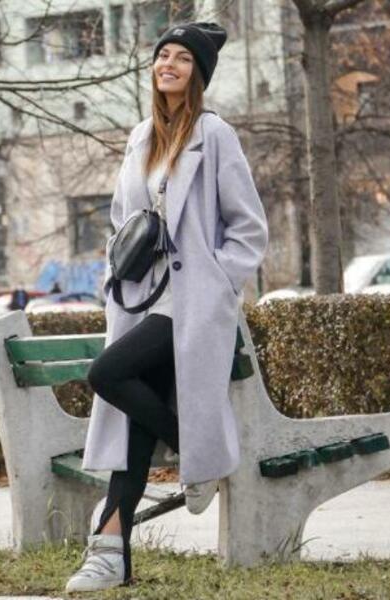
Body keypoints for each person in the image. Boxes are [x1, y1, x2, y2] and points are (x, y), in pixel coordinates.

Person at [65, 21, 269, 592]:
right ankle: (111, 553)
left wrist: (218, 282)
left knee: (107, 374)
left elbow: (249, 227)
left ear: (197, 73)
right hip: (142, 299)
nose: (168, 64)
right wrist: (114, 278)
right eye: (163, 55)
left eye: (182, 57)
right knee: (130, 421)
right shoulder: (140, 136)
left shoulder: (214, 134)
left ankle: (193, 456)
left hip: (191, 301)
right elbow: (121, 221)